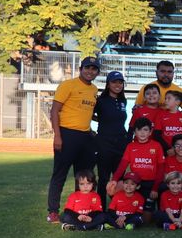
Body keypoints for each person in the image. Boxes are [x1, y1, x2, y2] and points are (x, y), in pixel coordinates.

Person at [47, 56, 101, 223]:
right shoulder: (67, 85)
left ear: (97, 72)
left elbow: (85, 113)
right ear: (80, 69)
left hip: (85, 137)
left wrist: (91, 130)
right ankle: (53, 211)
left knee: (84, 177)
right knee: (60, 174)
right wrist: (57, 135)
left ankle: (82, 210)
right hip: (66, 134)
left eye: (93, 69)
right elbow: (54, 111)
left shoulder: (94, 89)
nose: (90, 71)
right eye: (87, 68)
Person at [91, 70, 129, 203]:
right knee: (104, 177)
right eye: (114, 82)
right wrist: (100, 121)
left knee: (119, 178)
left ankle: (117, 208)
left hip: (120, 143)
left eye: (120, 82)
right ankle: (101, 208)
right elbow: (88, 115)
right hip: (104, 143)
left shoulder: (123, 100)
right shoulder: (101, 101)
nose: (117, 85)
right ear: (108, 84)